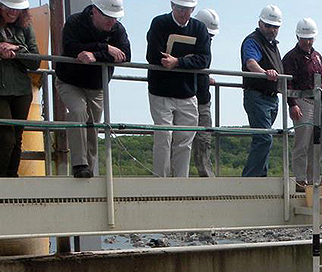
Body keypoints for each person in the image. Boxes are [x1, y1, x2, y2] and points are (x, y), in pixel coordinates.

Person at [56, 0, 129, 179]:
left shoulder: (117, 30)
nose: (112, 22)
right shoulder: (74, 22)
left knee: (93, 126)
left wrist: (96, 55)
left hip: (97, 86)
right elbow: (71, 47)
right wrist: (105, 48)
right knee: (78, 112)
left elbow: (125, 54)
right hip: (70, 81)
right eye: (108, 17)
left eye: (115, 18)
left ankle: (90, 168)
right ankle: (79, 165)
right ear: (95, 11)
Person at [146, 0, 211, 178]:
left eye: (187, 9)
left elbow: (204, 60)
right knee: (163, 137)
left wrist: (178, 62)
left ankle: (180, 182)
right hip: (161, 91)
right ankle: (161, 181)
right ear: (172, 6)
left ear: (193, 9)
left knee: (185, 139)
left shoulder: (199, 28)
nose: (183, 13)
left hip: (187, 92)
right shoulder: (159, 23)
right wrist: (189, 59)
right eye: (180, 8)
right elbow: (153, 54)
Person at [282, 18, 322, 191]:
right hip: (301, 102)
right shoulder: (291, 58)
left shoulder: (317, 57)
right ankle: (300, 180)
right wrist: (292, 104)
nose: (307, 42)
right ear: (297, 37)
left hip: (318, 103)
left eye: (310, 38)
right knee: (302, 143)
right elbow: (287, 84)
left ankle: (314, 179)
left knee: (317, 143)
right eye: (304, 38)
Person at [241, 4, 283, 178]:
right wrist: (265, 73)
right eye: (268, 25)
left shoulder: (272, 45)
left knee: (264, 139)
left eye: (275, 27)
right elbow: (251, 63)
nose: (272, 30)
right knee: (264, 138)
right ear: (260, 23)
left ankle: (260, 177)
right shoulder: (253, 41)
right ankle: (251, 181)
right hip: (257, 95)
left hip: (271, 98)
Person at [0, 0, 38, 178]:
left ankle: (11, 178)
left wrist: (17, 49)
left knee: (16, 138)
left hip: (22, 90)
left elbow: (36, 61)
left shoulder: (25, 26)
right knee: (6, 138)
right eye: (8, 7)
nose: (13, 12)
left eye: (17, 9)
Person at [191, 8, 219, 177]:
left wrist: (205, 76)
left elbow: (200, 63)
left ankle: (206, 177)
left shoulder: (205, 43)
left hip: (202, 97)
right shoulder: (188, 38)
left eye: (211, 36)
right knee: (181, 139)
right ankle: (175, 178)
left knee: (204, 139)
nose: (209, 39)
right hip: (186, 96)